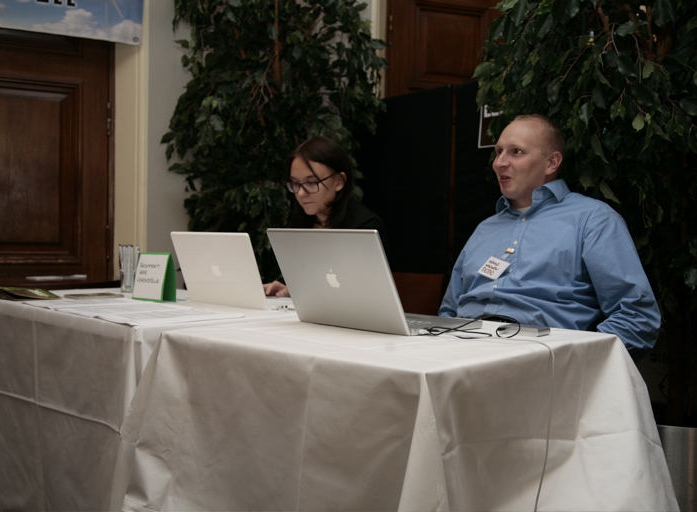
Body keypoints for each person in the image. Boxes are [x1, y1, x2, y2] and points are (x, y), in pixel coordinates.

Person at [439, 114, 660, 360]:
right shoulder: (485, 228)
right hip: (461, 352)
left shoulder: (592, 220)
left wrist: (575, 360)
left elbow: (637, 317)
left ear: (551, 163)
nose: (499, 162)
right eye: (499, 151)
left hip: (541, 359)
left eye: (516, 152)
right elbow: (449, 311)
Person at [264, 136, 386, 297]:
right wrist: (289, 290)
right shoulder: (299, 220)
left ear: (339, 181)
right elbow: (307, 282)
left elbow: (369, 294)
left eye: (311, 183)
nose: (301, 193)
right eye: (295, 183)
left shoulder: (365, 226)